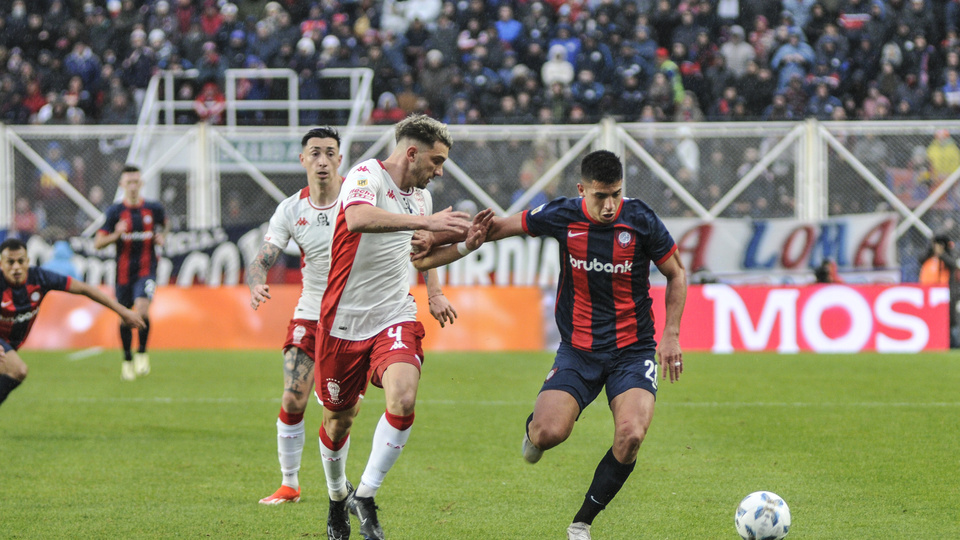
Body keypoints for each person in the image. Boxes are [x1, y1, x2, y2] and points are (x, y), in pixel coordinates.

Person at [483, 150, 687, 540]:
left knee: (631, 435)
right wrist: (446, 240)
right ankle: (533, 432)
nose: (609, 205)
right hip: (578, 350)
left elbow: (676, 273)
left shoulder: (641, 219)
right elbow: (500, 228)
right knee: (547, 434)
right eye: (600, 196)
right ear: (582, 190)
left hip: (633, 349)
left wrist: (672, 334)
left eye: (615, 195)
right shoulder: (562, 214)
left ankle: (581, 524)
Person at [317, 114, 487, 540]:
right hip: (342, 321)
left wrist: (447, 271)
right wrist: (427, 224)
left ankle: (367, 496)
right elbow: (357, 218)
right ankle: (338, 498)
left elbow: (421, 255)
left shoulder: (422, 200)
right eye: (436, 160)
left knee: (404, 397)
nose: (440, 171)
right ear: (412, 152)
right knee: (338, 420)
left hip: (394, 314)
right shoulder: (365, 175)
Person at [247, 127, 345, 508]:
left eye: (329, 153)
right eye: (315, 153)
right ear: (302, 160)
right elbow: (262, 258)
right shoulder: (291, 209)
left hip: (352, 317)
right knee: (292, 398)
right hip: (309, 311)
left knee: (339, 412)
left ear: (340, 159)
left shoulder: (357, 202)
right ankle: (289, 484)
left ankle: (339, 488)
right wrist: (256, 283)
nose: (322, 160)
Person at [0, 237, 145, 409]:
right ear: (1, 264)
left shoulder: (39, 277)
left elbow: (85, 289)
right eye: (10, 262)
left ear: (28, 261)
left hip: (10, 344)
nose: (16, 267)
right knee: (18, 370)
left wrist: (123, 311)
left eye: (20, 261)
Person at [94, 165, 167, 381]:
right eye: (129, 182)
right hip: (123, 274)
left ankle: (142, 353)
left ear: (141, 183)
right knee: (125, 317)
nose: (133, 186)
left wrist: (162, 236)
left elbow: (165, 225)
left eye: (136, 181)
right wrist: (116, 235)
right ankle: (127, 359)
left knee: (143, 311)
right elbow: (98, 243)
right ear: (122, 185)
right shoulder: (114, 212)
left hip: (147, 269)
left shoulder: (153, 208)